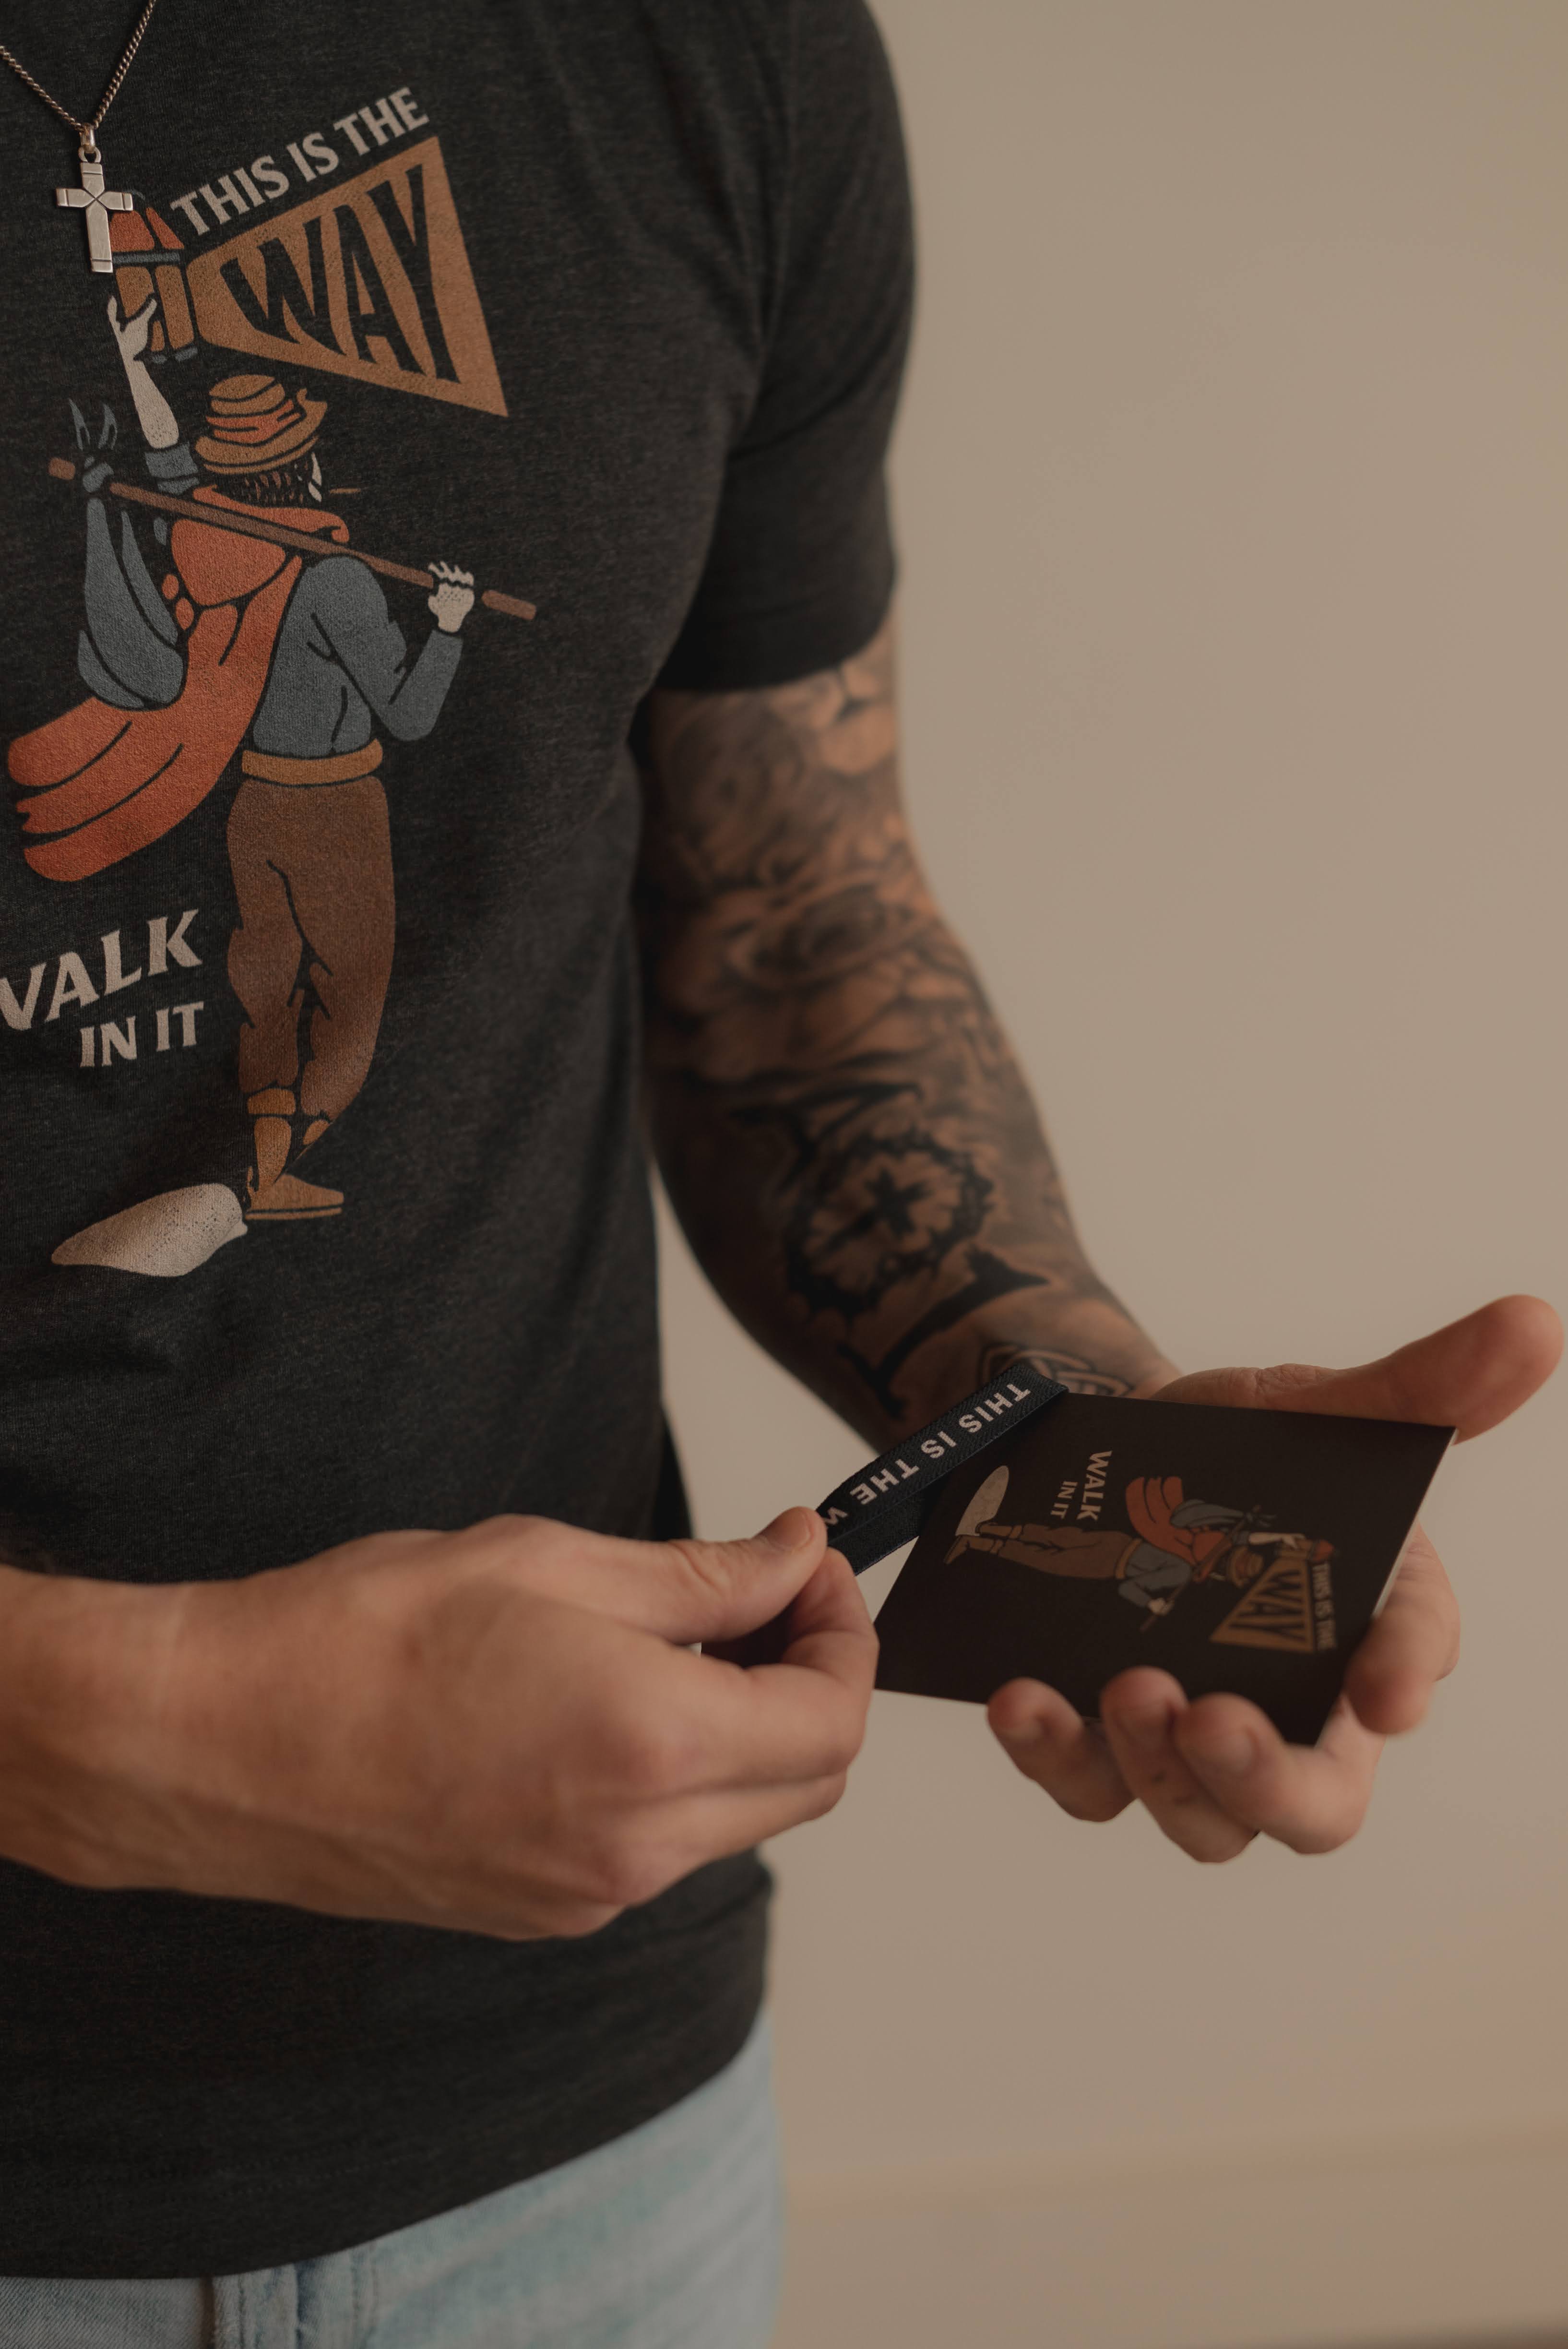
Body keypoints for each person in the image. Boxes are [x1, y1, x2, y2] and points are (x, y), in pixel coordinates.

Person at [0, 1, 1557, 2339]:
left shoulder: (704, 45)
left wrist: (1074, 1425)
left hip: (588, 2150)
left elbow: (788, 917)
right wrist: (138, 1742)